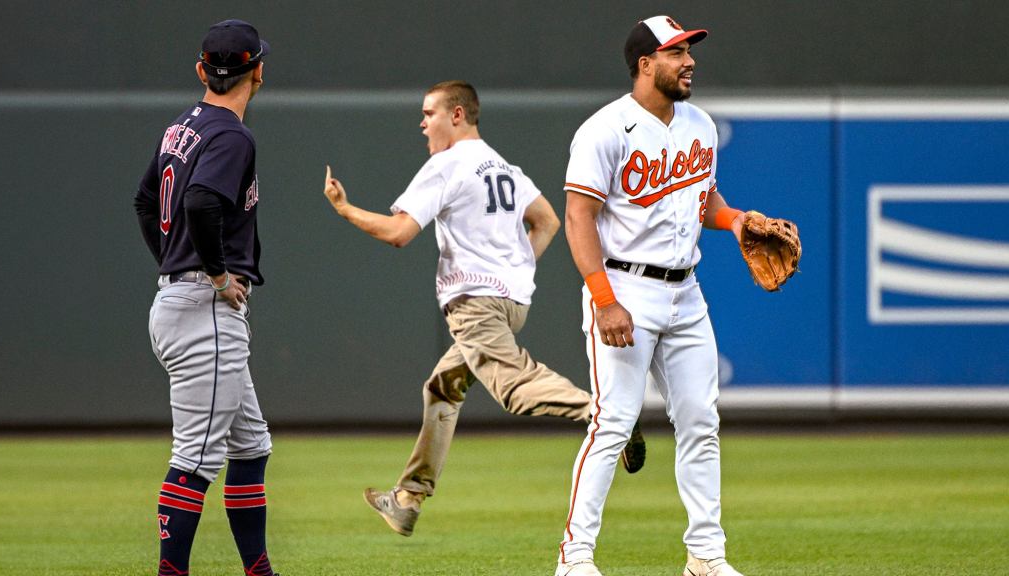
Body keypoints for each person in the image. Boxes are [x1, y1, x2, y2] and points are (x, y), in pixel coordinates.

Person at [320, 81, 646, 538]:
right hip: (511, 302)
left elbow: (398, 232)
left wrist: (345, 209)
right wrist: (516, 267)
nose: (422, 122)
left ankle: (608, 415)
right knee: (442, 388)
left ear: (457, 115)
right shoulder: (504, 166)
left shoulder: (447, 165)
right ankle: (408, 498)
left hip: (475, 305)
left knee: (513, 386)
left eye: (429, 112)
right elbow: (547, 220)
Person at [554, 16, 751, 576]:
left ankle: (705, 557)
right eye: (676, 52)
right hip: (624, 287)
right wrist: (603, 298)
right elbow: (578, 217)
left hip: (686, 290)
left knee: (699, 420)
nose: (689, 61)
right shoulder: (604, 129)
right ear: (645, 64)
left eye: (689, 51)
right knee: (612, 420)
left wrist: (734, 221)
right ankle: (575, 558)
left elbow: (701, 198)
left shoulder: (700, 125)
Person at [133, 19, 280, 576]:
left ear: (202, 71)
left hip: (179, 300)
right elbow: (198, 203)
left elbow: (147, 202)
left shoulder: (183, 127)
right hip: (204, 309)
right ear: (257, 72)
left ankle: (258, 570)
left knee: (250, 446)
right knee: (194, 460)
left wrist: (175, 264)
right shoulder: (231, 133)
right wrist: (214, 274)